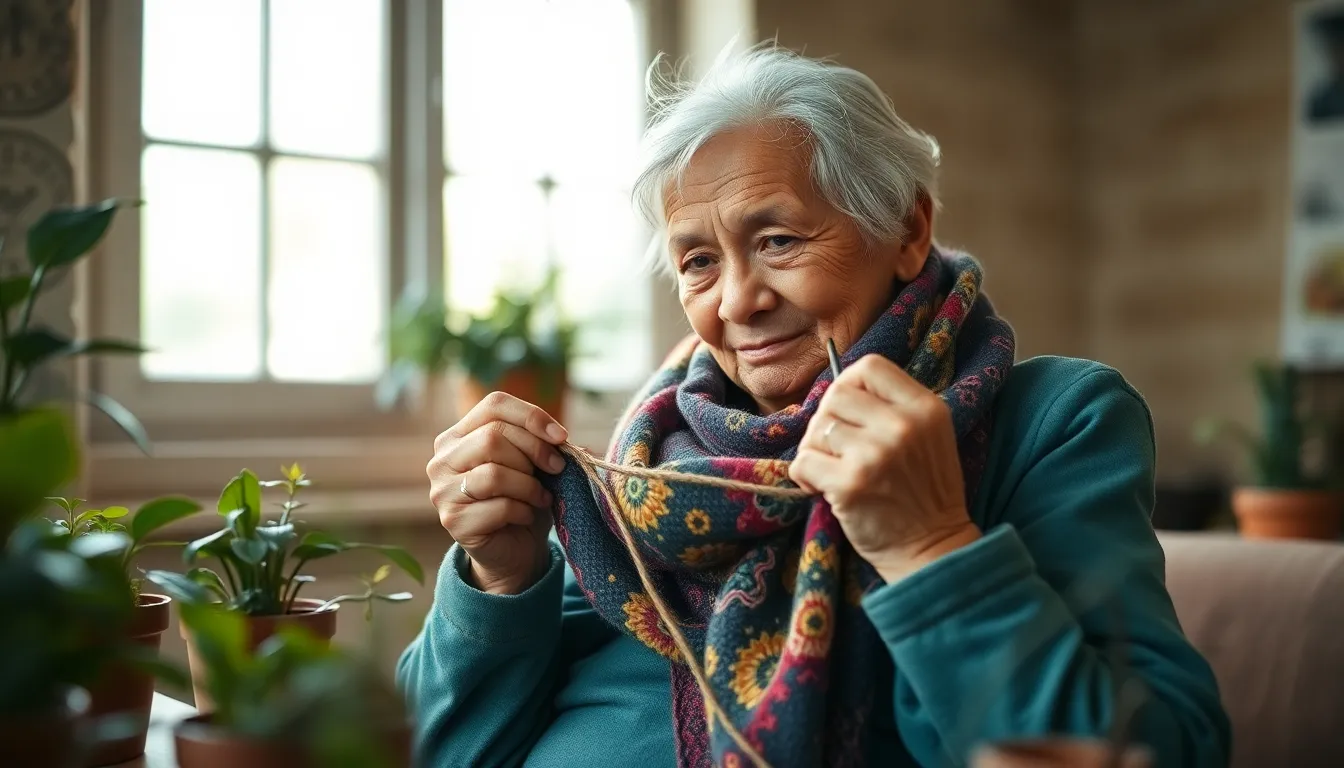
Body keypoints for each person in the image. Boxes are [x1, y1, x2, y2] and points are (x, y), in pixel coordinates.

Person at [398, 47, 1230, 768]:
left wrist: (931, 547)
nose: (737, 302)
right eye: (697, 262)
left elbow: (1159, 750)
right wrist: (500, 579)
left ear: (907, 230)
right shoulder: (640, 464)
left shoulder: (1052, 422)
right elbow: (440, 752)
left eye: (779, 241)